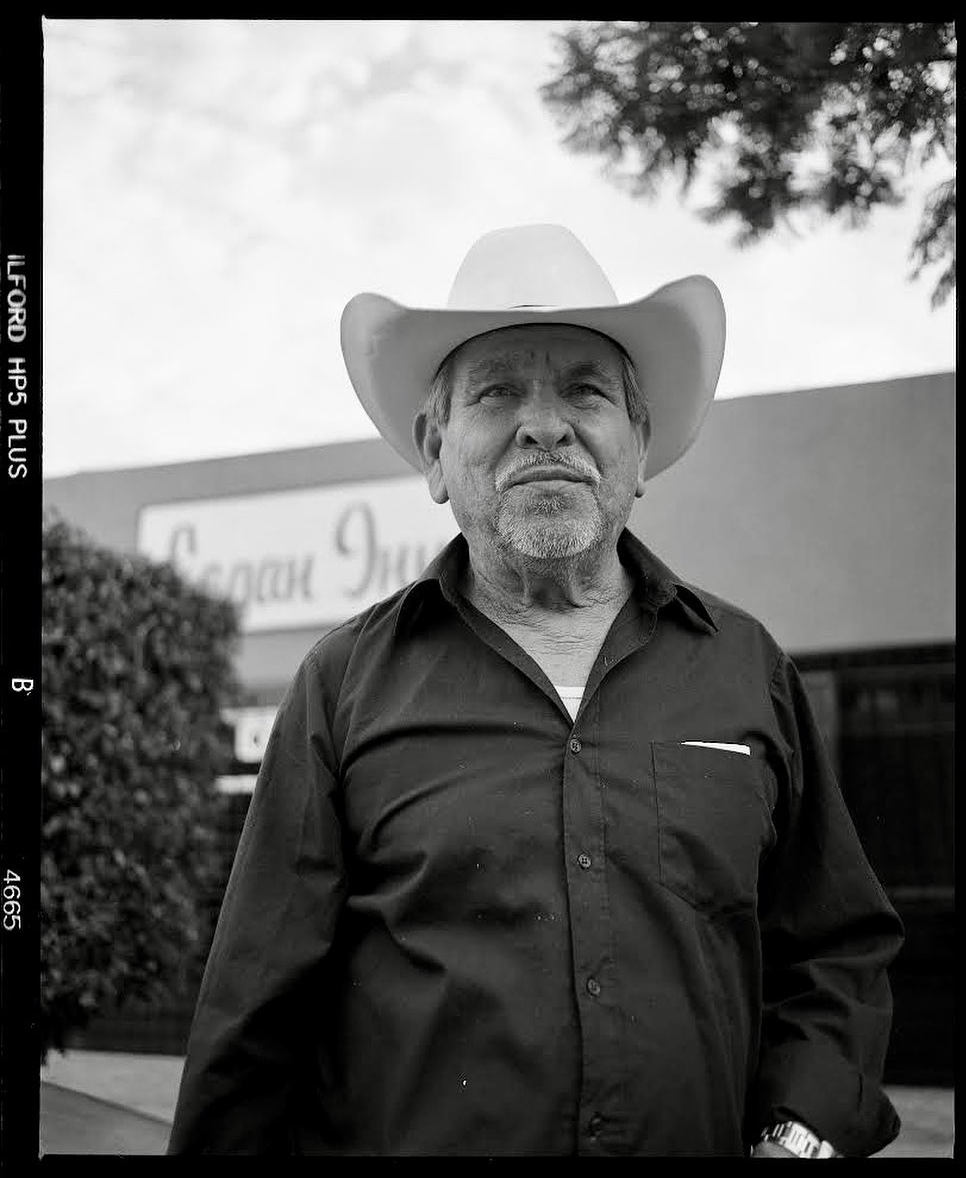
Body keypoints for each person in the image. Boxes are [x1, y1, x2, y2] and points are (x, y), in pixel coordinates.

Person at [168, 224, 904, 1157]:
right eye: (499, 390)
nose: (544, 423)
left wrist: (799, 1134)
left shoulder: (747, 669)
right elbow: (253, 1019)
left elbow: (837, 950)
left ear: (638, 446)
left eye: (585, 390)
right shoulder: (343, 684)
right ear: (437, 450)